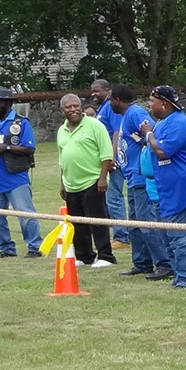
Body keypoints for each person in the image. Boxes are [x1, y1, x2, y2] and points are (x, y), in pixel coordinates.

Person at [142, 86, 186, 289]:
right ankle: (179, 276)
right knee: (168, 235)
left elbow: (162, 151)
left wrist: (148, 134)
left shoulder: (178, 122)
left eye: (152, 101)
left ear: (164, 104)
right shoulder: (163, 122)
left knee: (183, 236)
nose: (149, 105)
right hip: (166, 188)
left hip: (182, 188)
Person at [111, 85, 171, 279]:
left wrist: (143, 142)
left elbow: (152, 133)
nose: (110, 103)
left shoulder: (135, 113)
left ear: (117, 100)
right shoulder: (126, 116)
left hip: (140, 177)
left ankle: (164, 263)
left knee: (146, 223)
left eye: (111, 99)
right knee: (135, 224)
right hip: (131, 176)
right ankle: (142, 262)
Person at [0, 86, 43, 259]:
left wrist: (5, 147)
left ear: (7, 103)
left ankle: (34, 247)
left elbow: (29, 148)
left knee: (25, 214)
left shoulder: (21, 123)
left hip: (15, 176)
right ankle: (6, 248)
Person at [55, 93, 116, 268]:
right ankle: (84, 256)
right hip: (71, 184)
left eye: (76, 106)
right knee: (77, 224)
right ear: (62, 111)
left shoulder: (95, 125)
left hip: (93, 181)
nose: (73, 109)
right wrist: (62, 183)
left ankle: (106, 256)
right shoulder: (62, 130)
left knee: (97, 221)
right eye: (69, 107)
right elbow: (62, 159)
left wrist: (102, 178)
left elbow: (106, 154)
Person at [89, 78, 130, 247]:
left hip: (115, 161)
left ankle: (122, 236)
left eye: (97, 90)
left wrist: (112, 157)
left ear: (108, 90)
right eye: (92, 91)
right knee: (108, 198)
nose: (93, 94)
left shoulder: (111, 108)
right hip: (106, 159)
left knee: (114, 197)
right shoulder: (104, 108)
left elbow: (116, 132)